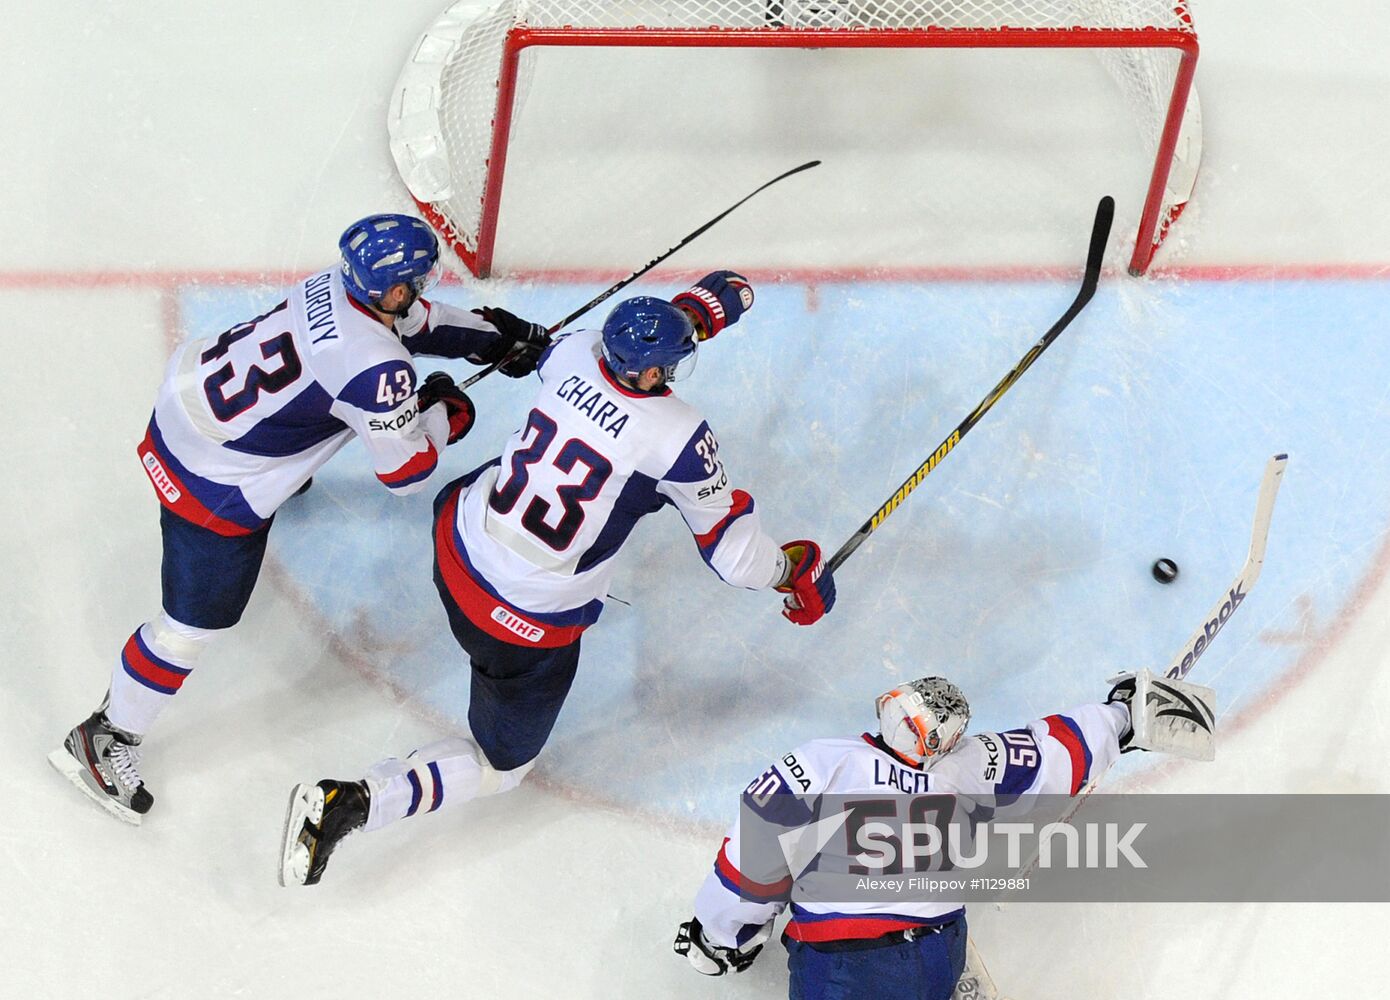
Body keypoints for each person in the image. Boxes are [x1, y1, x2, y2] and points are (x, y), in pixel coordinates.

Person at [279, 271, 838, 886]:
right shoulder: (680, 439)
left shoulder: (575, 352)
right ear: (655, 372)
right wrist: (791, 570)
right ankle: (361, 801)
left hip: (453, 547)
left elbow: (595, 355)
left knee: (514, 473)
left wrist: (687, 317)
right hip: (519, 626)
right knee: (501, 767)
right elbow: (734, 558)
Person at [49, 213, 550, 825]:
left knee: (318, 408)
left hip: (189, 397)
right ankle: (104, 737)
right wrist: (444, 414)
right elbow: (406, 472)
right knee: (190, 627)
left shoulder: (335, 283)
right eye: (416, 280)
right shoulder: (376, 368)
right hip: (210, 482)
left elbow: (416, 323)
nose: (422, 287)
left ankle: (284, 468)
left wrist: (494, 339)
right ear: (393, 288)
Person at [671, 675, 1140, 1000]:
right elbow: (1055, 752)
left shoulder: (822, 761)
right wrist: (1123, 716)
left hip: (848, 967)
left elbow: (750, 866)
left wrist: (721, 937)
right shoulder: (970, 763)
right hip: (942, 950)